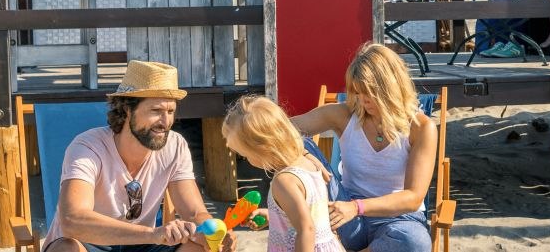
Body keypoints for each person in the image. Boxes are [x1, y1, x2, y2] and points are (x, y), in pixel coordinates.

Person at [43, 60, 235, 252]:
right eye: (156, 111)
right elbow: (72, 220)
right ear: (128, 109)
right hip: (89, 243)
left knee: (200, 248)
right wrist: (153, 234)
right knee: (66, 249)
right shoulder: (88, 147)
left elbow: (194, 212)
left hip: (142, 244)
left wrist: (213, 232)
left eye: (170, 111)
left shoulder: (175, 146)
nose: (165, 122)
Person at [290, 43, 437, 251]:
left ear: (390, 87)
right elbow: (282, 129)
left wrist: (357, 208)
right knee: (302, 143)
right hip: (345, 217)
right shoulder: (345, 115)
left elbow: (413, 198)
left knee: (416, 242)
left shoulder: (421, 128)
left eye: (368, 92)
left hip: (397, 220)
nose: (362, 99)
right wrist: (305, 154)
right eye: (357, 91)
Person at [222, 96, 344, 252]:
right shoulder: (309, 164)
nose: (246, 160)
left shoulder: (284, 181)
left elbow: (306, 229)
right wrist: (274, 216)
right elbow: (312, 214)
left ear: (262, 149)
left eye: (245, 155)